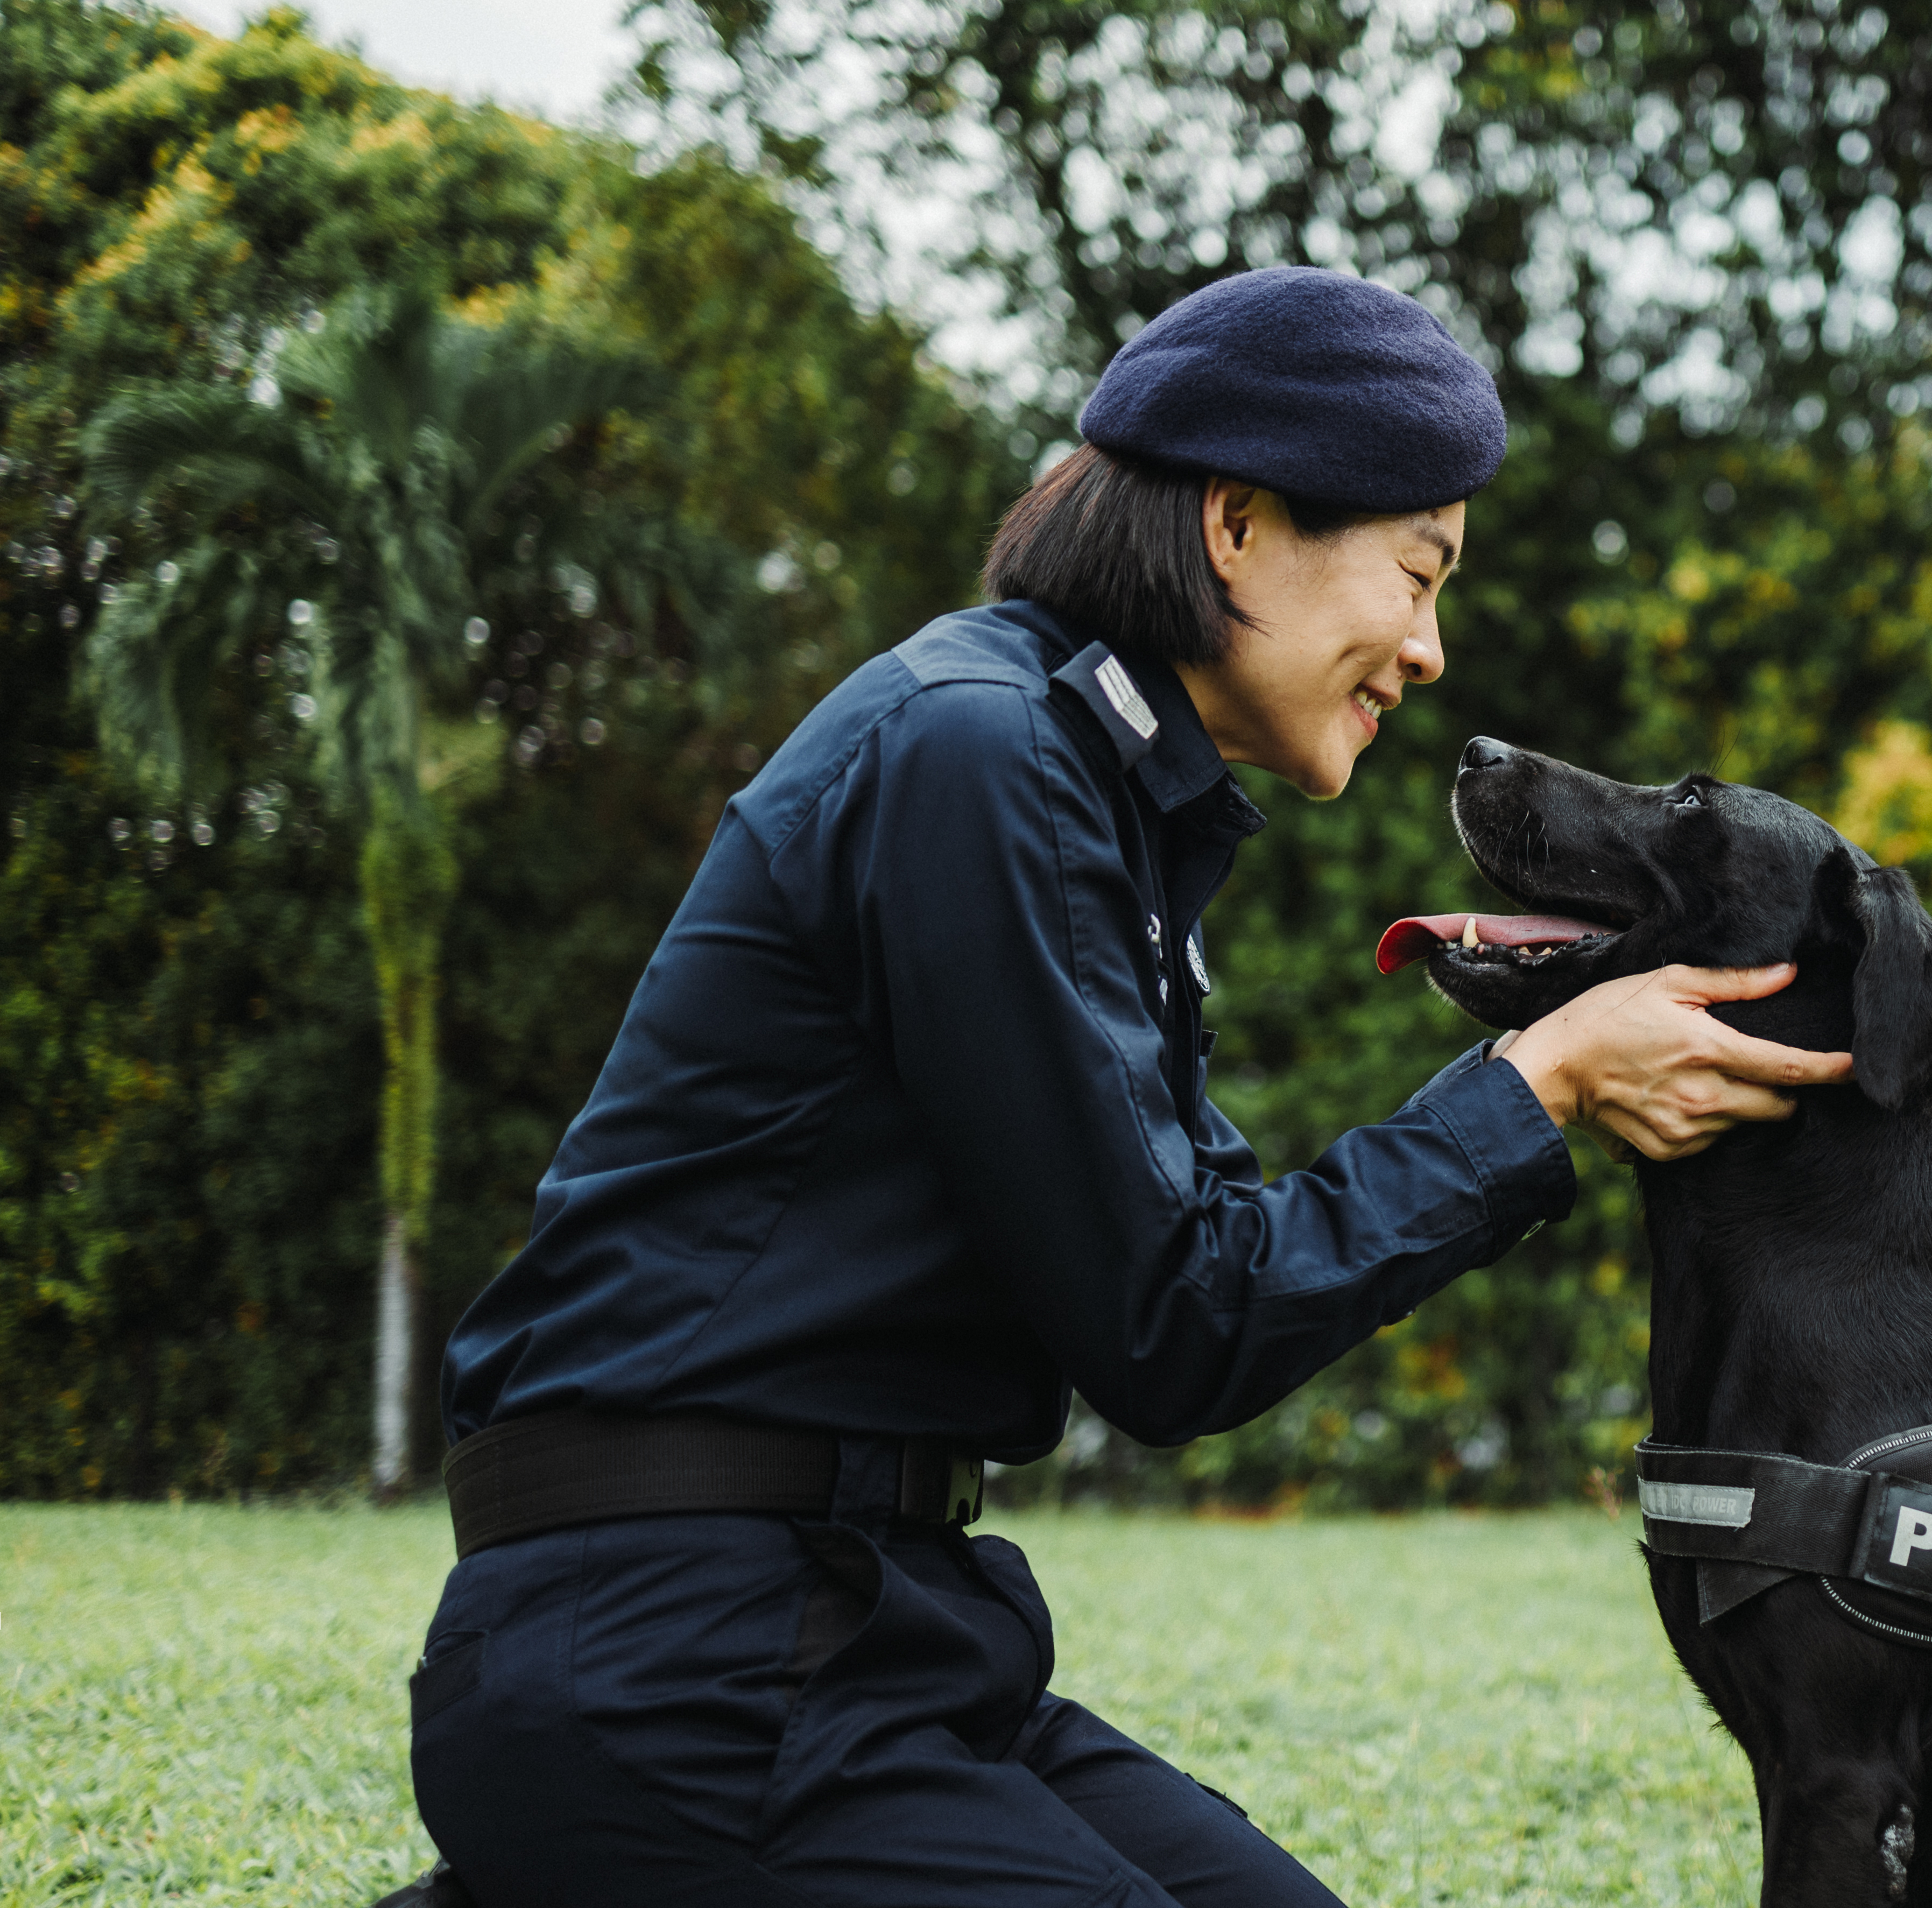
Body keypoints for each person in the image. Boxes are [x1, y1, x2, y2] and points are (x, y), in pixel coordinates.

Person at [392, 266, 1853, 1908]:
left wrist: (1539, 1086)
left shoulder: (1097, 799)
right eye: (1417, 573)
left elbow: (1209, 1264)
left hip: (880, 1634)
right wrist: (1540, 1085)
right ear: (1236, 526)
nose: (1431, 651)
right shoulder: (977, 756)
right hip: (673, 1656)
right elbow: (1177, 1326)